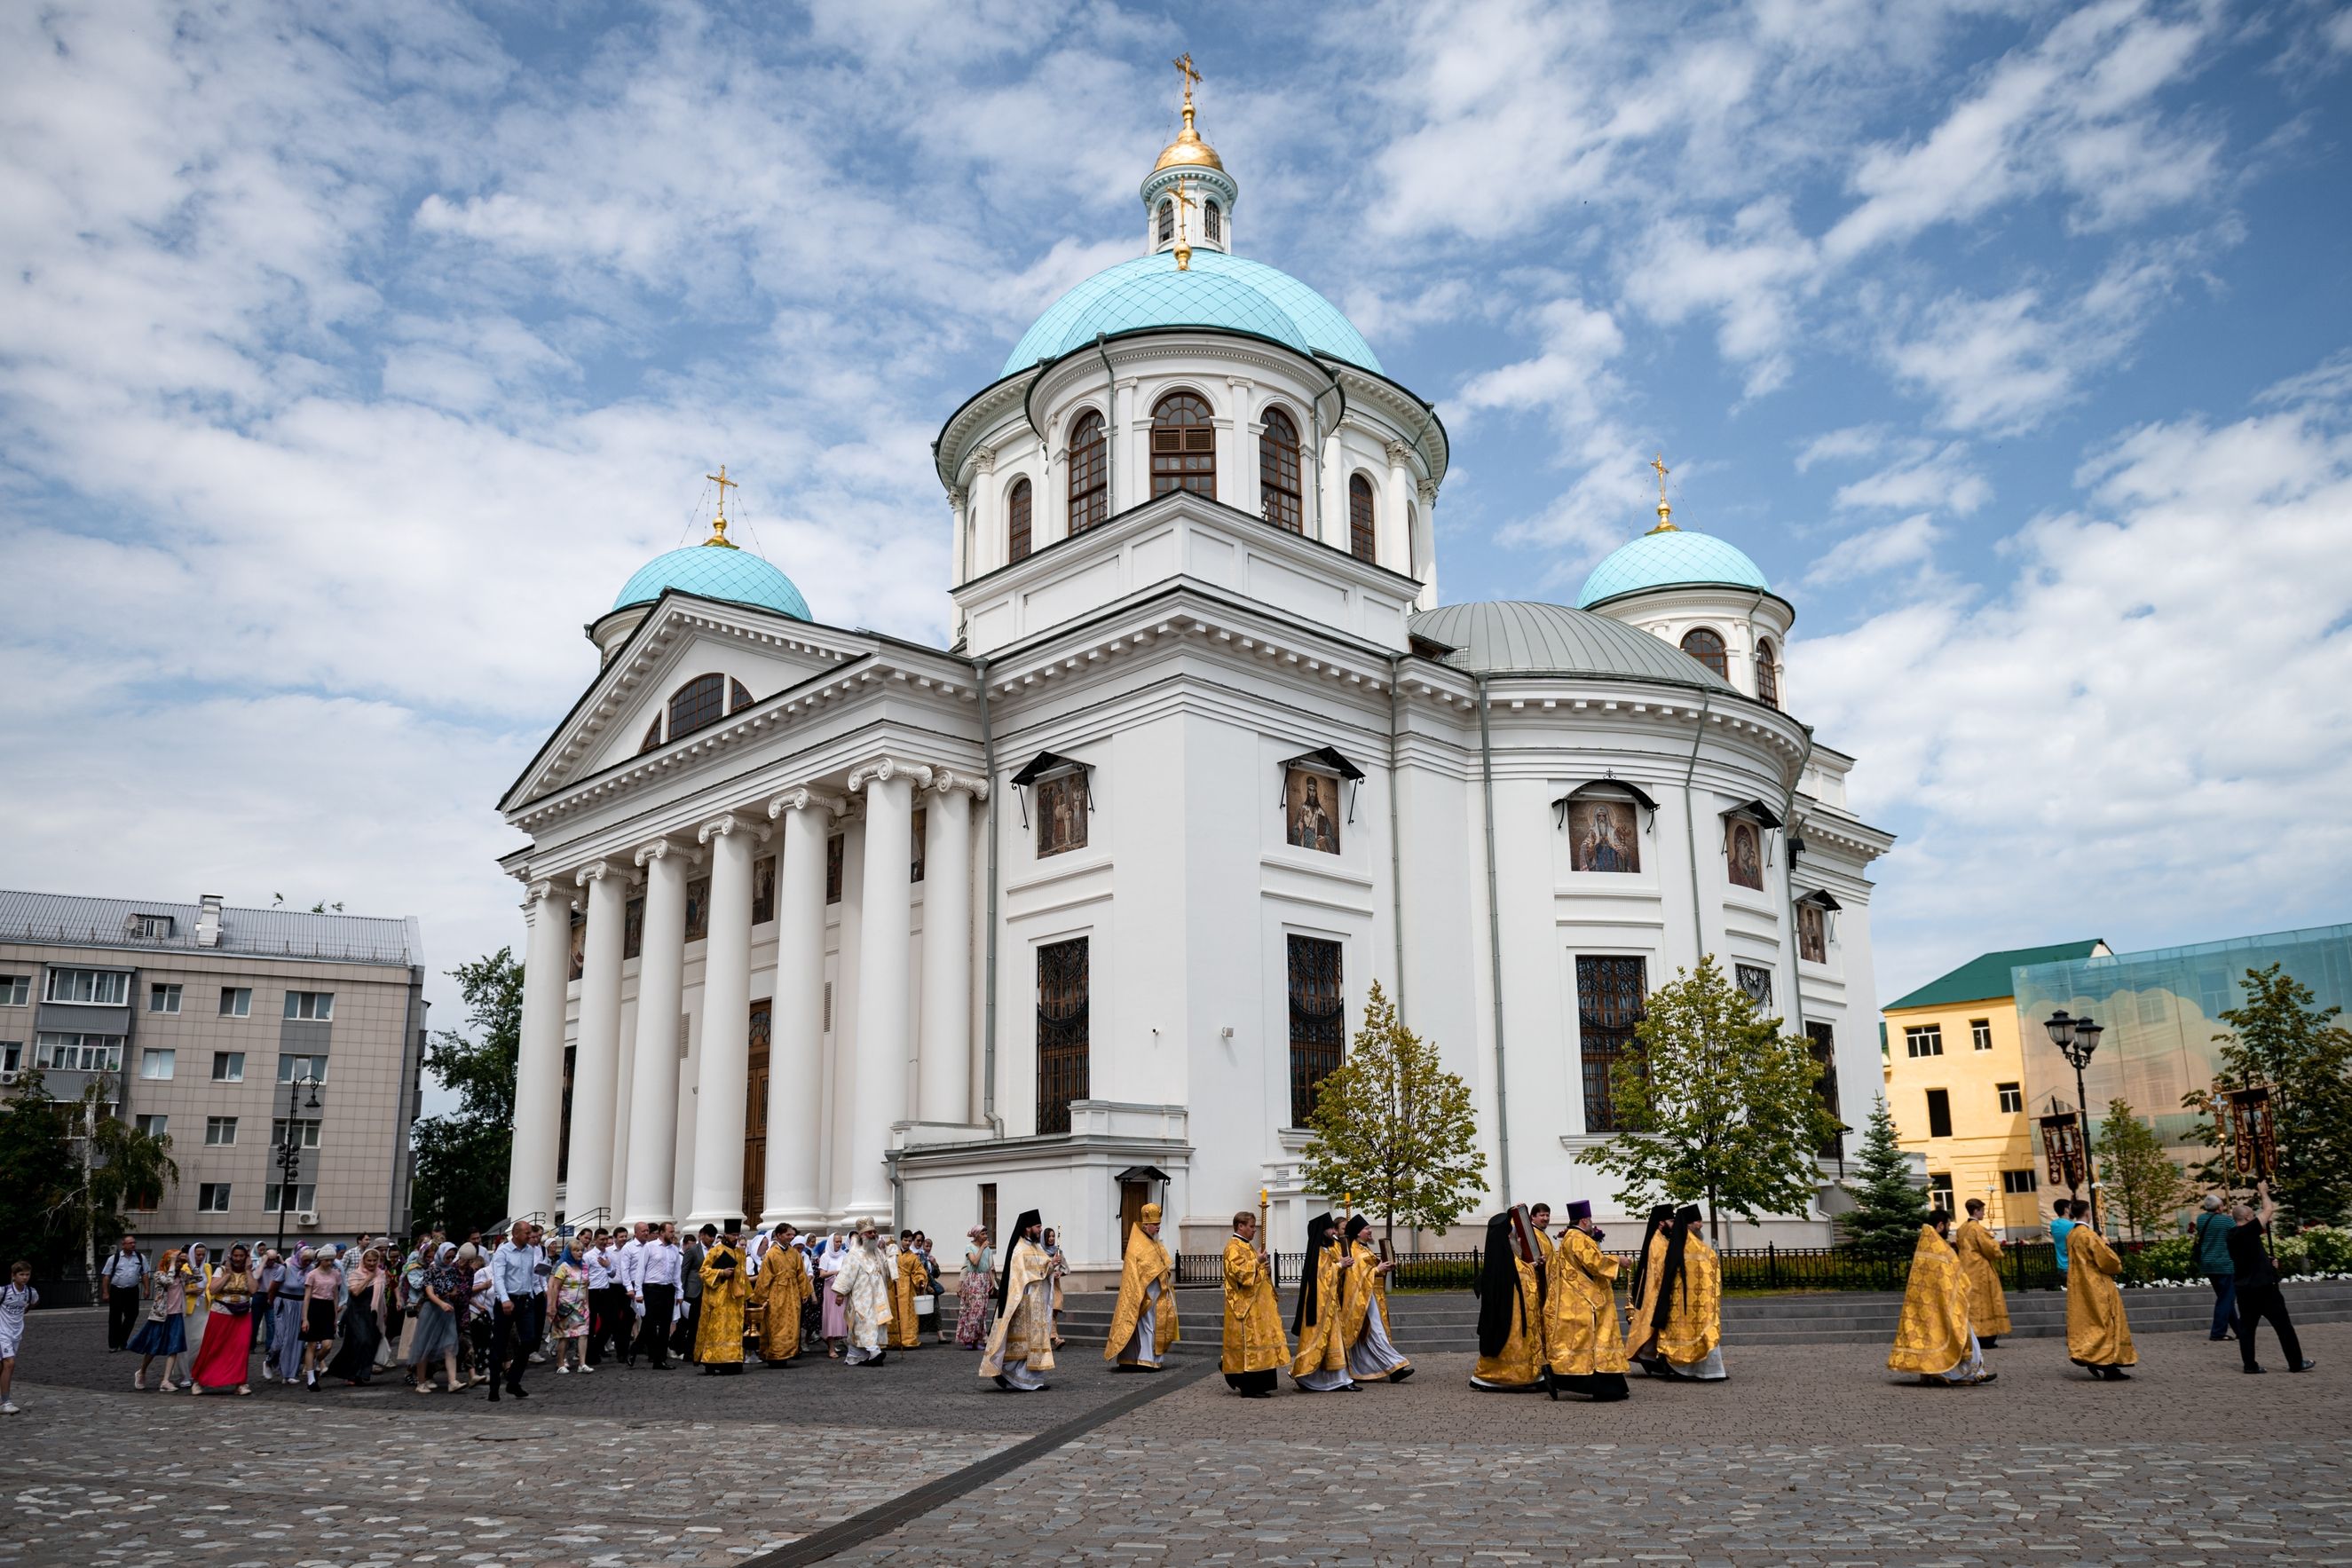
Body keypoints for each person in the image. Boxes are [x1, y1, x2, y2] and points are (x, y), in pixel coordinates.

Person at [1888, 1212, 1993, 1386]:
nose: (1949, 1229)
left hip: (1923, 1304)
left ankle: (1931, 1373)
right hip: (1943, 1302)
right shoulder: (1939, 1247)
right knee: (1960, 1337)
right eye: (1948, 1225)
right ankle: (1966, 1375)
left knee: (1929, 1337)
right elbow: (1953, 1276)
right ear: (1940, 1225)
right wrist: (1963, 1287)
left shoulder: (1926, 1244)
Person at [1626, 1204, 1725, 1381]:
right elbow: (1661, 1271)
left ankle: (1654, 1358)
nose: (1701, 1225)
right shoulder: (1661, 1242)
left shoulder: (1674, 1242)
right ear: (1661, 1222)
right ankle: (1654, 1358)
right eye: (1671, 1221)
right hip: (1668, 1296)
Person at [1543, 1201, 1627, 1401]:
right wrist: (1619, 1261)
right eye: (1590, 1220)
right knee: (1592, 1344)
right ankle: (1596, 1386)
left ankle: (1605, 1385)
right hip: (1586, 1302)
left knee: (1584, 1345)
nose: (1591, 1224)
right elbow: (1595, 1264)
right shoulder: (1578, 1238)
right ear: (1584, 1220)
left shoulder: (1570, 1238)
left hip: (1578, 1298)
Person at [2229, 1179, 2314, 1375]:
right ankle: (2295, 1362)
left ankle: (2250, 1365)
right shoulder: (2248, 1229)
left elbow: (2247, 1257)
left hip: (2244, 1288)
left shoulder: (2232, 1235)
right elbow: (2268, 1210)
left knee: (2247, 1329)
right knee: (2283, 1326)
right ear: (2249, 1217)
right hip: (2264, 1288)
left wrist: (2268, 1262)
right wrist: (2263, 1192)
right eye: (2253, 1215)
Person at [979, 1210, 1057, 1391]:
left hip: (1036, 1302)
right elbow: (1020, 1276)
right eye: (1038, 1227)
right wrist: (1045, 1269)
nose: (1041, 1229)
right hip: (1023, 1303)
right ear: (1028, 1228)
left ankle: (1032, 1380)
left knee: (1034, 1343)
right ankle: (1009, 1376)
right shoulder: (1019, 1249)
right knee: (1021, 1344)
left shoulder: (1036, 1247)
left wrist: (1052, 1265)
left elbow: (1043, 1267)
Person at [1470, 1209, 1545, 1391]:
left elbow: (1517, 1269)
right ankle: (1500, 1376)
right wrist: (1532, 1267)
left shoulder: (1500, 1253)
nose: (1514, 1235)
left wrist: (1531, 1265)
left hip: (1510, 1307)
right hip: (1509, 1310)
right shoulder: (1503, 1254)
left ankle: (1525, 1374)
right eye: (1511, 1232)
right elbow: (1518, 1273)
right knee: (1508, 1339)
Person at [2063, 1202, 2138, 1381]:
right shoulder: (2089, 1235)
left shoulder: (2072, 1234)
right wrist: (2106, 1246)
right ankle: (2107, 1363)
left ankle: (2094, 1356)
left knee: (2091, 1322)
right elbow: (2109, 1263)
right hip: (2096, 1283)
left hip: (2080, 1284)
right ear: (2088, 1213)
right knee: (2107, 1321)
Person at [1106, 1203, 1180, 1373]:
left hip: (1157, 1293)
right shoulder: (1137, 1245)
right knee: (1147, 1327)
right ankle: (1146, 1359)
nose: (1158, 1228)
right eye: (1155, 1225)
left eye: (1159, 1225)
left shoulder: (1153, 1242)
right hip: (1144, 1294)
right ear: (1146, 1225)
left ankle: (1140, 1358)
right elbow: (1140, 1270)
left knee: (1151, 1326)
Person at [1220, 1209, 1287, 1397]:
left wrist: (1265, 1268)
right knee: (1249, 1345)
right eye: (1251, 1227)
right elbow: (1239, 1274)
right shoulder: (1233, 1247)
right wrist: (1257, 1263)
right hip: (1245, 1307)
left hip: (1258, 1307)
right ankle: (1249, 1386)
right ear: (1240, 1226)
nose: (1254, 1230)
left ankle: (1260, 1385)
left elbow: (1257, 1272)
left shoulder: (1247, 1246)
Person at [1338, 1215, 1410, 1383]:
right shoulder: (1354, 1251)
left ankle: (1361, 1369)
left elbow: (1370, 1270)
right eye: (1366, 1229)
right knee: (1376, 1333)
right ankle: (1396, 1366)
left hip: (1371, 1297)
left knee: (1371, 1335)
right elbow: (1356, 1276)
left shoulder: (1364, 1249)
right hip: (1362, 1300)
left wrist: (1384, 1268)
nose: (1370, 1231)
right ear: (1357, 1233)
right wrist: (1377, 1270)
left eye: (1370, 1228)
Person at [187, 1244, 257, 1396]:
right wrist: (227, 1274)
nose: (238, 1259)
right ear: (231, 1256)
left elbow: (253, 1290)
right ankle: (199, 1380)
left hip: (243, 1314)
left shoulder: (249, 1271)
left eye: (241, 1256)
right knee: (212, 1347)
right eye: (236, 1256)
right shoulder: (221, 1270)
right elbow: (212, 1289)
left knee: (241, 1348)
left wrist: (249, 1271)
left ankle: (240, 1382)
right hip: (221, 1312)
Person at [485, 1220, 539, 1400]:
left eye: (531, 1232)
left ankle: (513, 1381)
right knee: (499, 1345)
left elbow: (529, 1275)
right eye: (527, 1233)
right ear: (516, 1234)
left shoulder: (530, 1251)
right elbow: (498, 1278)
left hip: (524, 1300)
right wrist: (505, 1300)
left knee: (529, 1341)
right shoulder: (503, 1252)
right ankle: (493, 1388)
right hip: (506, 1301)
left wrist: (532, 1294)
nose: (530, 1236)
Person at [128, 1249, 191, 1391]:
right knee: (153, 1347)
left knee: (174, 1347)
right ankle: (142, 1371)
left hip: (176, 1314)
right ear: (168, 1261)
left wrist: (190, 1262)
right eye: (177, 1261)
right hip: (161, 1316)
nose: (180, 1264)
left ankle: (165, 1380)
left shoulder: (181, 1275)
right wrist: (173, 1263)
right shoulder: (159, 1274)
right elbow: (168, 1282)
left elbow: (197, 1278)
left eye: (181, 1261)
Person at [834, 1219, 895, 1366]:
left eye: (874, 1232)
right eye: (870, 1232)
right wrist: (840, 1293)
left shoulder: (877, 1252)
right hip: (861, 1297)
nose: (873, 1234)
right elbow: (846, 1274)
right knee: (864, 1323)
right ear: (862, 1235)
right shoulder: (854, 1254)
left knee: (873, 1324)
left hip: (878, 1297)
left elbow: (885, 1270)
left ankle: (855, 1356)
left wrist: (891, 1257)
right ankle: (874, 1352)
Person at [410, 1241, 467, 1394]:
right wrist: (441, 1303)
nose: (450, 1260)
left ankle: (452, 1381)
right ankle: (421, 1381)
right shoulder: (431, 1270)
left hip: (447, 1309)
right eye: (448, 1257)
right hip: (432, 1310)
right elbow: (429, 1292)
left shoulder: (451, 1271)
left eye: (452, 1257)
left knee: (450, 1344)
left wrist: (452, 1294)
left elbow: (455, 1288)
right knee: (424, 1345)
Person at [325, 1249, 387, 1386]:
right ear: (363, 1260)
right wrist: (368, 1279)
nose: (371, 1263)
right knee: (362, 1341)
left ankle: (359, 1374)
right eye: (369, 1260)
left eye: (374, 1261)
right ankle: (350, 1371)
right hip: (357, 1312)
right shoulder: (355, 1274)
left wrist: (384, 1311)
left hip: (373, 1313)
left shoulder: (381, 1274)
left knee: (371, 1342)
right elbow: (356, 1292)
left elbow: (381, 1296)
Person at [1954, 1199, 2011, 1348]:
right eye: (1982, 1210)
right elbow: (1991, 1250)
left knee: (1971, 1303)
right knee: (1986, 1303)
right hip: (1980, 1271)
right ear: (1975, 1211)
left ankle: (1972, 1336)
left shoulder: (1961, 1228)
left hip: (1966, 1269)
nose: (1983, 1213)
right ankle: (1986, 1336)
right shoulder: (1978, 1229)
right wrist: (1994, 1241)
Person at [755, 1224, 810, 1366]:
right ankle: (775, 1355)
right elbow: (764, 1277)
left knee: (791, 1323)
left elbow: (801, 1274)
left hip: (792, 1293)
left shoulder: (794, 1253)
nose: (791, 1237)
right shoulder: (771, 1254)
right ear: (779, 1235)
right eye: (788, 1235)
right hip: (776, 1292)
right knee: (776, 1323)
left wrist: (804, 1292)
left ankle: (788, 1353)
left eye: (792, 1235)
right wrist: (763, 1297)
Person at [2193, 1192, 2241, 1342]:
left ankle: (2240, 1330)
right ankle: (2218, 1332)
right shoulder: (2227, 1222)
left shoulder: (2201, 1219)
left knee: (2224, 1297)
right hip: (2225, 1264)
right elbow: (2237, 1234)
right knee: (2226, 1299)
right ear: (2219, 1207)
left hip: (2207, 1263)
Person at [634, 1223, 682, 1370]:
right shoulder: (650, 1247)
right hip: (651, 1289)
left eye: (673, 1231)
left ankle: (660, 1360)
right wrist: (639, 1291)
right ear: (661, 1232)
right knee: (650, 1323)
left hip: (668, 1290)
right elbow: (641, 1269)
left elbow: (676, 1273)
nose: (673, 1234)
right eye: (671, 1231)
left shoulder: (674, 1250)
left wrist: (680, 1292)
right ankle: (635, 1350)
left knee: (665, 1325)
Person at [301, 1247, 343, 1391]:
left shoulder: (336, 1274)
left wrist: (335, 1317)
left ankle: (318, 1361)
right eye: (326, 1260)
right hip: (314, 1306)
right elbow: (307, 1297)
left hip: (328, 1307)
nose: (329, 1263)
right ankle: (311, 1379)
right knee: (312, 1344)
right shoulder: (312, 1274)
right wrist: (305, 1318)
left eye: (331, 1260)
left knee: (328, 1345)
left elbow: (336, 1295)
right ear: (320, 1260)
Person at [548, 1238, 591, 1374]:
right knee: (565, 1335)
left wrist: (587, 1303)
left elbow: (586, 1286)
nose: (579, 1253)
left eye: (581, 1250)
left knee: (583, 1334)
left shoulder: (584, 1266)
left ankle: (582, 1363)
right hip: (566, 1305)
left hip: (581, 1305)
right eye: (576, 1250)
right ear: (569, 1252)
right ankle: (560, 1363)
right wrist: (553, 1306)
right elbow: (555, 1287)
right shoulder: (563, 1267)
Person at [102, 1234, 146, 1352]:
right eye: (130, 1243)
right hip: (117, 1290)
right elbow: (106, 1276)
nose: (133, 1245)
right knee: (115, 1317)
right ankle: (113, 1344)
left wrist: (146, 1289)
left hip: (132, 1290)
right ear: (123, 1244)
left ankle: (123, 1340)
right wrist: (106, 1292)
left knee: (132, 1315)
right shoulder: (114, 1258)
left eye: (134, 1243)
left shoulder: (140, 1257)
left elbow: (144, 1273)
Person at [0, 1261, 34, 1414]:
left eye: (27, 1274)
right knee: (10, 1364)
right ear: (13, 1276)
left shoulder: (30, 1292)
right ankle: (6, 1402)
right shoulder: (4, 1291)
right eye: (21, 1274)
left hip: (16, 1335)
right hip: (2, 1333)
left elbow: (33, 1302)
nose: (25, 1278)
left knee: (3, 1367)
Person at [888, 1231, 930, 1352]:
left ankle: (907, 1339)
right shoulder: (893, 1254)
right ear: (901, 1240)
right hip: (892, 1286)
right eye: (905, 1240)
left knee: (906, 1314)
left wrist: (921, 1280)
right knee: (894, 1313)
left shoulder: (913, 1257)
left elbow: (919, 1271)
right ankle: (892, 1339)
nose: (907, 1243)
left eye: (909, 1241)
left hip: (907, 1287)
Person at [955, 1226, 996, 1348]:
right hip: (973, 1280)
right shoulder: (970, 1247)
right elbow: (974, 1262)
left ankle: (977, 1340)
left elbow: (988, 1266)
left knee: (982, 1311)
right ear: (977, 1235)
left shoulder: (987, 1249)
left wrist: (992, 1280)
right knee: (973, 1311)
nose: (985, 1236)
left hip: (983, 1281)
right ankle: (968, 1338)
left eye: (986, 1233)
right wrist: (982, 1248)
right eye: (983, 1233)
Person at [817, 1233, 849, 1357]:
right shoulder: (825, 1256)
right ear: (831, 1242)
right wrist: (836, 1272)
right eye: (836, 1241)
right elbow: (822, 1274)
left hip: (842, 1289)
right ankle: (831, 1348)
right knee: (831, 1318)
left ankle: (841, 1342)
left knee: (842, 1317)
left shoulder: (844, 1255)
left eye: (840, 1241)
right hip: (830, 1289)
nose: (838, 1244)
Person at [1042, 1226, 1069, 1349]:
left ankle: (1051, 1337)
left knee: (1054, 1310)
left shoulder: (1058, 1252)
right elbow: (1039, 1270)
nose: (1052, 1238)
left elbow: (1066, 1268)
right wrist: (1051, 1267)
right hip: (1045, 1285)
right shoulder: (1041, 1252)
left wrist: (1060, 1273)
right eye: (1049, 1236)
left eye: (1053, 1236)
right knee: (1049, 1311)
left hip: (1056, 1286)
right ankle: (1055, 1338)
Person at [2048, 1200, 2080, 1288]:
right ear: (2066, 1210)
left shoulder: (2053, 1225)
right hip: (2073, 1266)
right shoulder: (2072, 1226)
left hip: (2061, 1266)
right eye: (2071, 1207)